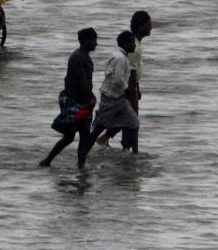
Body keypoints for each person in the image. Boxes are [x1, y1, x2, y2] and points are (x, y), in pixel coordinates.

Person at [39, 28, 98, 168]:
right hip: (77, 101)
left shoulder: (82, 56)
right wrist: (91, 97)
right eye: (93, 40)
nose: (96, 43)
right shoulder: (79, 58)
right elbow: (82, 80)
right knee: (77, 135)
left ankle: (51, 161)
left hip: (79, 100)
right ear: (85, 41)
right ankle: (78, 166)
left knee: (75, 136)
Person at [79, 31, 140, 165]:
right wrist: (128, 91)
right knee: (98, 128)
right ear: (125, 44)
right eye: (132, 43)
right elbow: (118, 80)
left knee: (133, 123)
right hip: (111, 98)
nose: (134, 46)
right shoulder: (120, 58)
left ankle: (128, 153)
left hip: (119, 99)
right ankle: (83, 154)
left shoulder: (121, 57)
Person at [101, 11, 152, 152]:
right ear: (140, 26)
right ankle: (129, 148)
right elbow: (131, 71)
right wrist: (133, 92)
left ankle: (108, 138)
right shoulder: (133, 46)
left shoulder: (136, 44)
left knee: (126, 117)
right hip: (127, 88)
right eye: (148, 25)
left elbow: (135, 69)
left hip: (130, 87)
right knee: (131, 119)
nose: (151, 28)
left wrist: (138, 88)